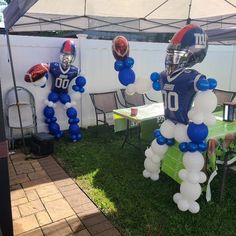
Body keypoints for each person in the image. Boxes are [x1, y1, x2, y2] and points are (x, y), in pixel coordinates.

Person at [143, 24, 217, 213]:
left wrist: (201, 112)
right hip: (169, 122)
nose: (171, 58)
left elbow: (205, 91)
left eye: (177, 54)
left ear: (190, 57)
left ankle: (189, 197)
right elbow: (150, 83)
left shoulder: (191, 77)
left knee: (192, 162)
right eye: (171, 53)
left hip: (184, 124)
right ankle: (152, 169)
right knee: (157, 146)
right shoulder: (163, 75)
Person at [27, 39, 86, 141]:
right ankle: (56, 133)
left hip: (64, 94)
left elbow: (81, 78)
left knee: (72, 113)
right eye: (65, 56)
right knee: (49, 112)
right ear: (61, 55)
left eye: (69, 56)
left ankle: (74, 134)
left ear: (73, 57)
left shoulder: (74, 70)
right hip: (54, 93)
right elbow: (43, 68)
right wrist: (41, 79)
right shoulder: (54, 66)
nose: (66, 59)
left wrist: (78, 87)